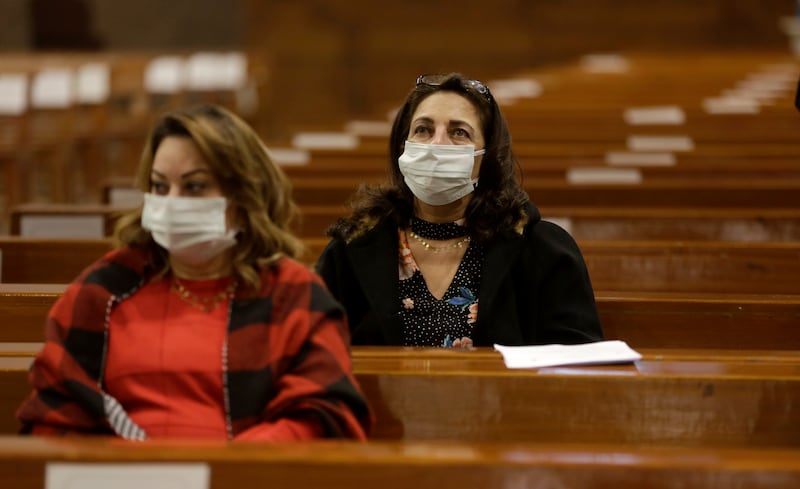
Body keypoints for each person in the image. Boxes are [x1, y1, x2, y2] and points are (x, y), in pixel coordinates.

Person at [17, 104, 372, 441]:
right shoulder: (106, 288)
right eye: (159, 186)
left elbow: (325, 413)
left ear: (243, 195)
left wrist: (222, 470)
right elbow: (54, 411)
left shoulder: (291, 293)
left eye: (194, 186)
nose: (172, 202)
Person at [315, 73, 603, 348]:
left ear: (486, 156)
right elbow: (311, 356)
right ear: (403, 147)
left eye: (459, 132)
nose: (437, 144)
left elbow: (578, 362)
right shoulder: (352, 249)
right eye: (423, 130)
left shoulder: (541, 249)